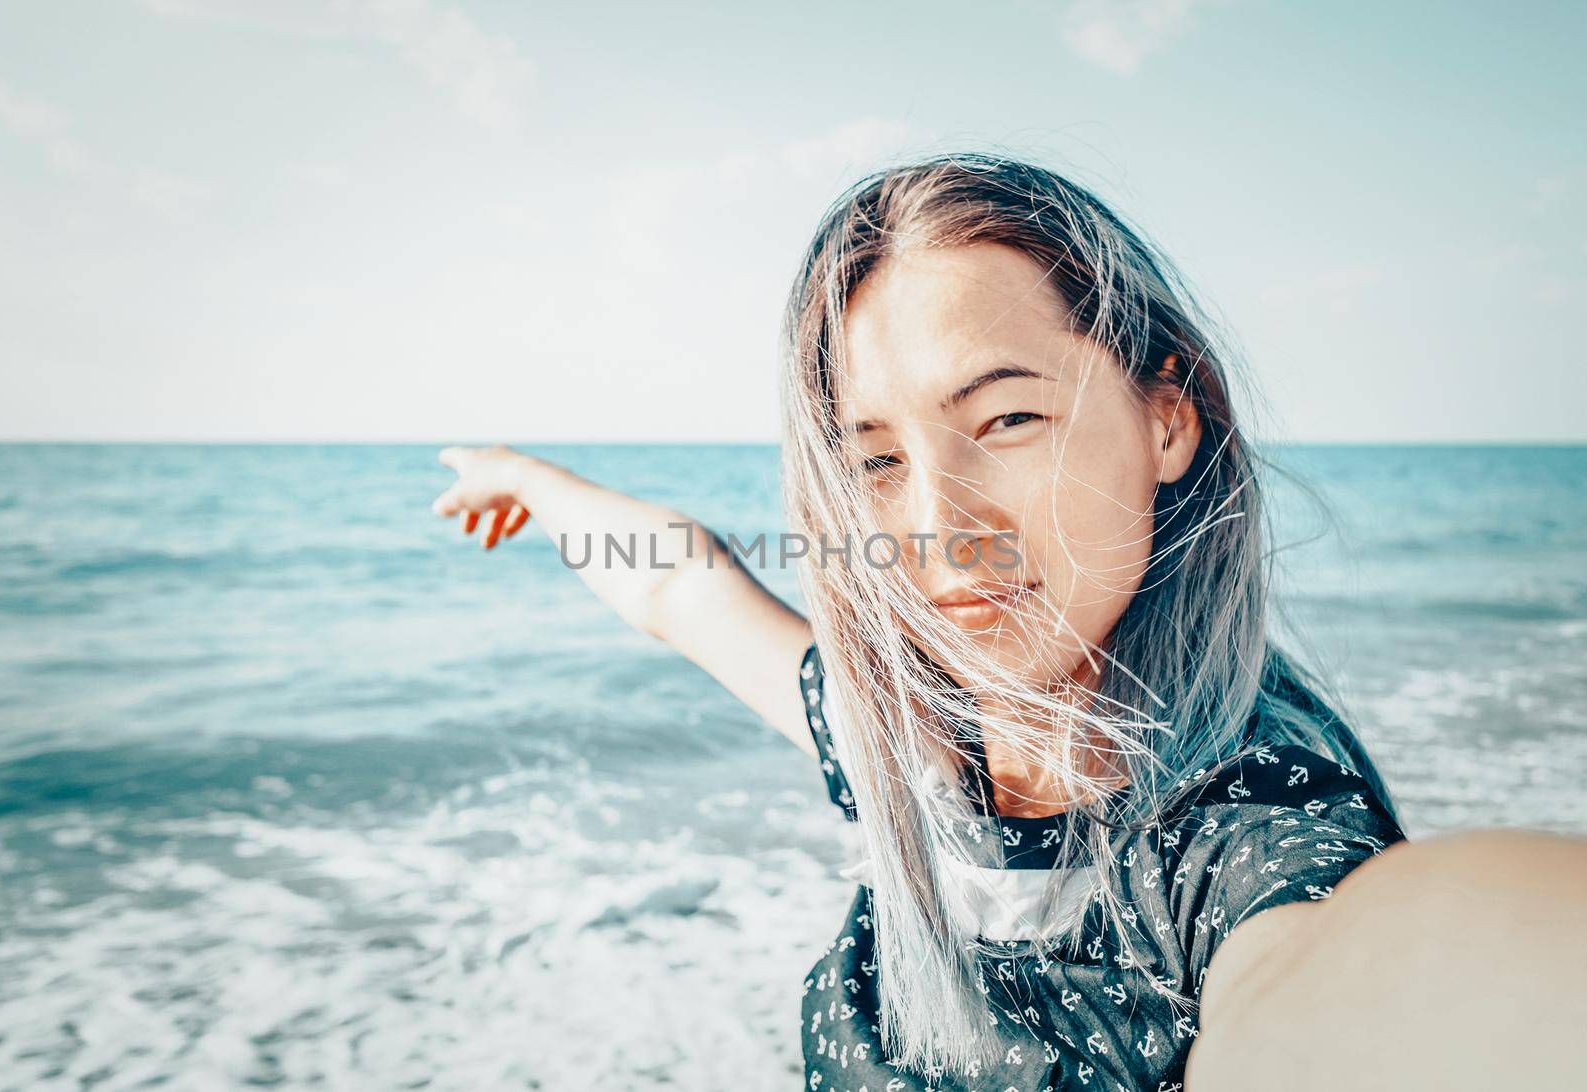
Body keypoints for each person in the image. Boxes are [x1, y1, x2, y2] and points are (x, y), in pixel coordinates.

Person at [431, 154, 1586, 1090]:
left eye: (1005, 419)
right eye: (874, 460)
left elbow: (1347, 987)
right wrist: (528, 483)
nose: (937, 526)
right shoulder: (915, 740)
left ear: (1167, 420)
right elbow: (680, 587)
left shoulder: (1245, 817)